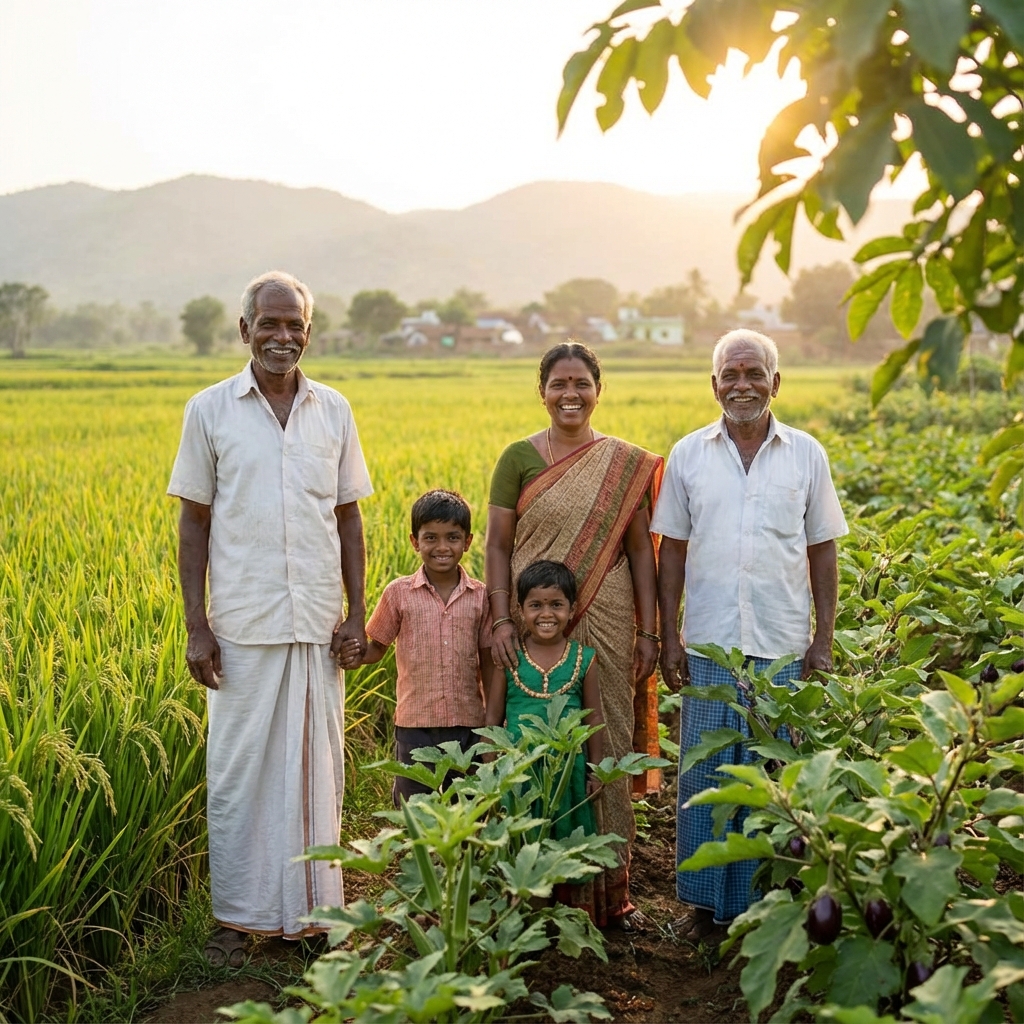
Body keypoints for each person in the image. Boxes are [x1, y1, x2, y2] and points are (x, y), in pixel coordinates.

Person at [167, 270, 373, 966]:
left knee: (317, 770)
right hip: (242, 623)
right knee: (239, 772)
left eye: (295, 326)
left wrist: (357, 613)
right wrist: (196, 625)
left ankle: (315, 917)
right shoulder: (210, 409)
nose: (282, 337)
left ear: (308, 334)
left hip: (316, 620)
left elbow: (349, 517)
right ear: (245, 329)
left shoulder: (334, 410)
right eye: (270, 324)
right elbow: (193, 522)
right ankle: (239, 918)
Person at [652, 328, 848, 940]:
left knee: (773, 774)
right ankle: (707, 907)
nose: (742, 385)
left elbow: (823, 550)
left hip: (782, 642)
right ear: (714, 385)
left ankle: (770, 904)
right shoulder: (687, 454)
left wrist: (823, 637)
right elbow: (672, 553)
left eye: (753, 373)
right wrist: (668, 636)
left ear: (775, 382)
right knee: (707, 777)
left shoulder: (806, 454)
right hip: (710, 641)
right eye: (730, 375)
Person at [485, 341, 662, 930]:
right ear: (542, 391)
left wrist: (648, 631)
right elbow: (498, 546)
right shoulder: (517, 458)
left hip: (608, 614)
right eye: (559, 383)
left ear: (597, 390)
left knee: (602, 743)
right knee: (531, 745)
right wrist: (502, 617)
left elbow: (641, 551)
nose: (570, 394)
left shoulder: (621, 465)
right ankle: (531, 884)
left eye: (581, 383)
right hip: (530, 613)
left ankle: (610, 893)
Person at [340, 490, 492, 804]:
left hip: (469, 724)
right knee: (414, 804)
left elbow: (489, 663)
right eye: (430, 538)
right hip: (415, 725)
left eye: (452, 537)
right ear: (415, 541)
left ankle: (460, 856)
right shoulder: (398, 594)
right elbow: (376, 649)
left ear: (468, 541)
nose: (441, 547)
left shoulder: (480, 597)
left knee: (468, 806)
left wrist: (493, 721)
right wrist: (354, 655)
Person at [485, 560, 605, 920]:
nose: (546, 614)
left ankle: (558, 919)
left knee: (559, 843)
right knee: (520, 847)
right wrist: (490, 771)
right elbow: (492, 719)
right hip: (516, 774)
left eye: (556, 605)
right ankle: (520, 919)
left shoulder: (585, 659)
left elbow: (594, 717)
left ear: (572, 610)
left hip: (565, 774)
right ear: (520, 611)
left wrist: (596, 769)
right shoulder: (509, 657)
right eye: (535, 605)